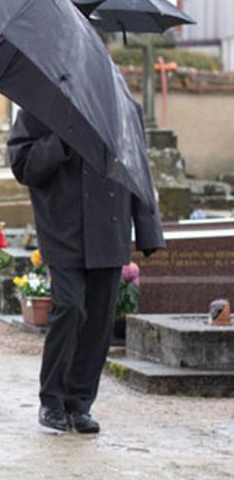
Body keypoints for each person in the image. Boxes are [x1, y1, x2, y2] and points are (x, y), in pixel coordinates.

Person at [8, 109, 164, 434]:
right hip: (62, 226)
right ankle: (52, 400)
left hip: (109, 226)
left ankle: (79, 404)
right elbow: (23, 165)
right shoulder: (44, 100)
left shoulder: (122, 105)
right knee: (69, 307)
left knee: (99, 320)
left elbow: (138, 167)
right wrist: (62, 141)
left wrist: (148, 228)